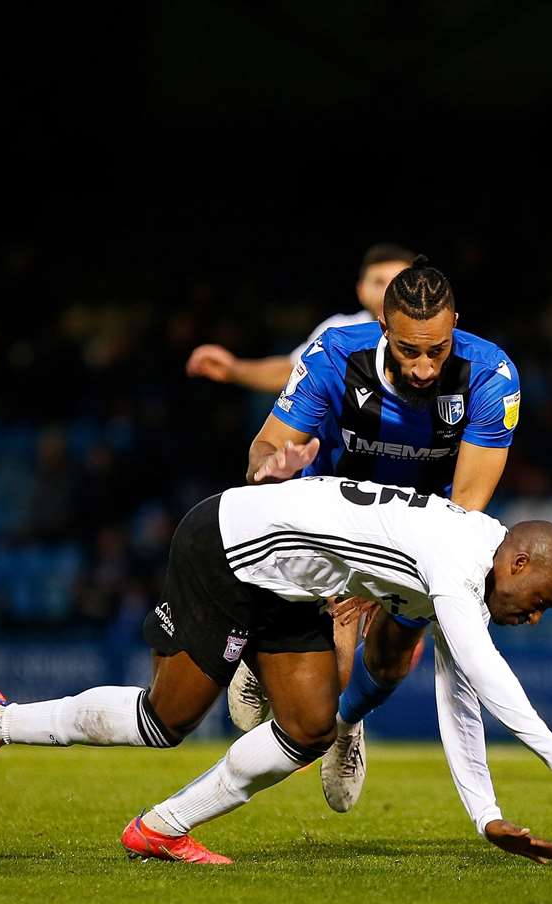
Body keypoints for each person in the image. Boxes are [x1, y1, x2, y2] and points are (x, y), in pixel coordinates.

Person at [0, 476, 552, 863]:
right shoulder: (457, 565)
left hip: (288, 583)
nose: (538, 616)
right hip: (226, 548)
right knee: (164, 721)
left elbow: (457, 694)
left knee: (309, 727)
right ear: (518, 564)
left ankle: (160, 828)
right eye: (541, 600)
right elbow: (484, 675)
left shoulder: (478, 560)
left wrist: (487, 816)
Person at [226, 257, 523, 814]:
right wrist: (272, 467)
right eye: (409, 349)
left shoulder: (491, 375)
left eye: (436, 350)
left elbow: (464, 511)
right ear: (384, 326)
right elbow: (262, 451)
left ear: (454, 324)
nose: (423, 366)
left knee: (388, 659)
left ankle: (347, 726)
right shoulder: (337, 354)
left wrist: (381, 571)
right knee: (332, 667)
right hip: (331, 518)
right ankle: (267, 641)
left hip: (424, 529)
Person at [185, 244, 415, 394]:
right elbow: (291, 372)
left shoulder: (440, 335)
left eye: (399, 280)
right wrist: (233, 368)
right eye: (378, 282)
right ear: (360, 290)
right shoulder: (338, 331)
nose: (389, 290)